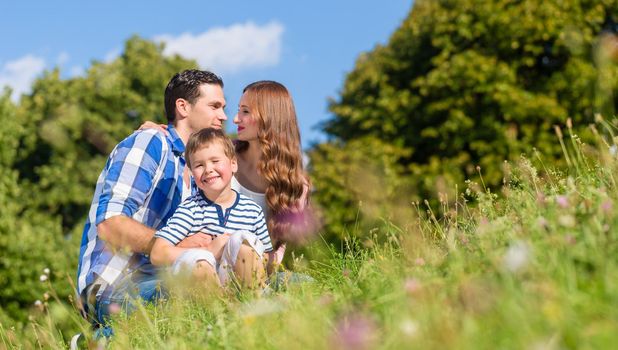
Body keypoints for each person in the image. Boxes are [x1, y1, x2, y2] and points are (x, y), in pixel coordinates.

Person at [76, 69, 227, 337]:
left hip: (162, 279)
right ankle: (101, 340)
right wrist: (173, 244)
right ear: (183, 106)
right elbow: (110, 224)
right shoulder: (150, 143)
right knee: (198, 296)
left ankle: (105, 339)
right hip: (114, 284)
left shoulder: (197, 172)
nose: (223, 116)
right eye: (214, 106)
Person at [141, 81, 317, 275]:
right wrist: (161, 133)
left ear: (270, 117)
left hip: (256, 273)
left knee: (302, 282)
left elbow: (281, 254)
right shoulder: (221, 160)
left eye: (245, 112)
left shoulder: (295, 185)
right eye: (238, 110)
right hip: (204, 265)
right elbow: (192, 151)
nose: (234, 119)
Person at [150, 128, 273, 288]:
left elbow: (267, 256)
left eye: (215, 161)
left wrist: (235, 249)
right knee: (200, 262)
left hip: (240, 283)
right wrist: (208, 250)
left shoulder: (252, 210)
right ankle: (218, 309)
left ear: (233, 164)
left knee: (242, 240)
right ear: (192, 173)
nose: (208, 169)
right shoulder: (190, 209)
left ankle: (251, 305)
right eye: (199, 165)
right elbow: (158, 253)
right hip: (204, 287)